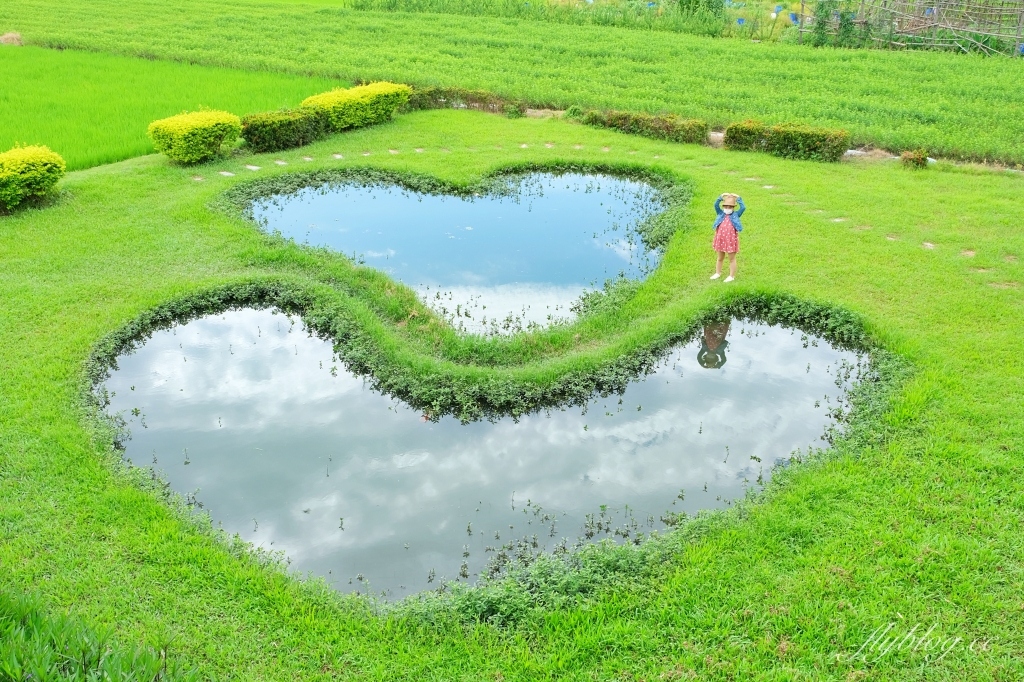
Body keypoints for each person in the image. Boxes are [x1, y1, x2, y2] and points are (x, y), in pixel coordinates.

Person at [711, 193, 745, 282]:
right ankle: (717, 273)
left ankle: (731, 276)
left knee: (731, 258)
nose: (727, 208)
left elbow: (743, 208)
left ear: (733, 208)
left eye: (730, 207)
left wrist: (738, 198)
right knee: (720, 258)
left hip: (730, 240)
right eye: (726, 207)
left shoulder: (736, 215)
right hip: (721, 239)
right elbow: (715, 205)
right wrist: (721, 197)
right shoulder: (720, 213)